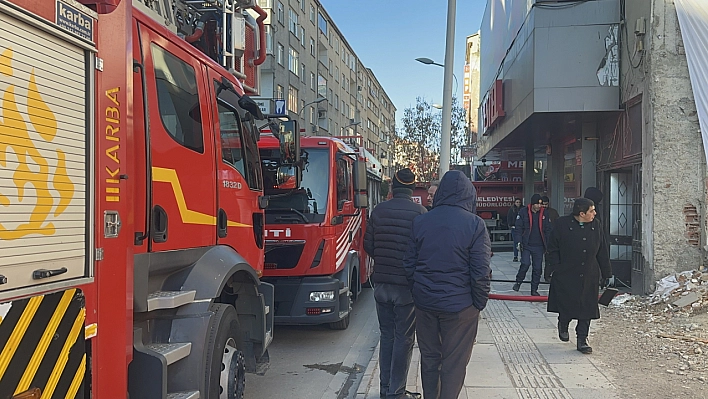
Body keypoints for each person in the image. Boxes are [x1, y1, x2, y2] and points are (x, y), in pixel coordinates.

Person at [403, 170, 491, 399]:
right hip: (460, 307)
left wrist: (419, 292)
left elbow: (409, 264)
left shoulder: (421, 221)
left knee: (430, 359)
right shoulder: (475, 224)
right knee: (454, 363)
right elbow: (481, 271)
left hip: (425, 304)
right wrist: (478, 304)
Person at [364, 168, 426, 399]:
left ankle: (384, 390)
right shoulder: (420, 213)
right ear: (412, 188)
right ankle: (396, 392)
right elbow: (422, 249)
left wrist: (383, 257)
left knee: (387, 336)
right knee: (404, 339)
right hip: (406, 287)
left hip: (381, 284)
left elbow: (368, 245)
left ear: (393, 188)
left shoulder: (379, 211)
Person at [545, 198, 612, 354]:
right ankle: (563, 323)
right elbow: (552, 248)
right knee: (567, 303)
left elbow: (602, 250)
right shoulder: (562, 224)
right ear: (582, 213)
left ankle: (582, 339)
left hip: (589, 273)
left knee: (587, 308)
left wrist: (607, 272)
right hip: (567, 273)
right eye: (591, 211)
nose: (594, 213)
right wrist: (555, 268)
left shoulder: (596, 225)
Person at [513, 194, 552, 296]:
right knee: (525, 263)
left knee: (537, 268)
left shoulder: (545, 213)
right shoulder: (523, 212)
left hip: (539, 245)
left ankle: (534, 289)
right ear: (532, 204)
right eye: (538, 204)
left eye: (541, 203)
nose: (540, 206)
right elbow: (518, 228)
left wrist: (548, 244)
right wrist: (519, 242)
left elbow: (548, 229)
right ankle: (518, 281)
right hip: (526, 244)